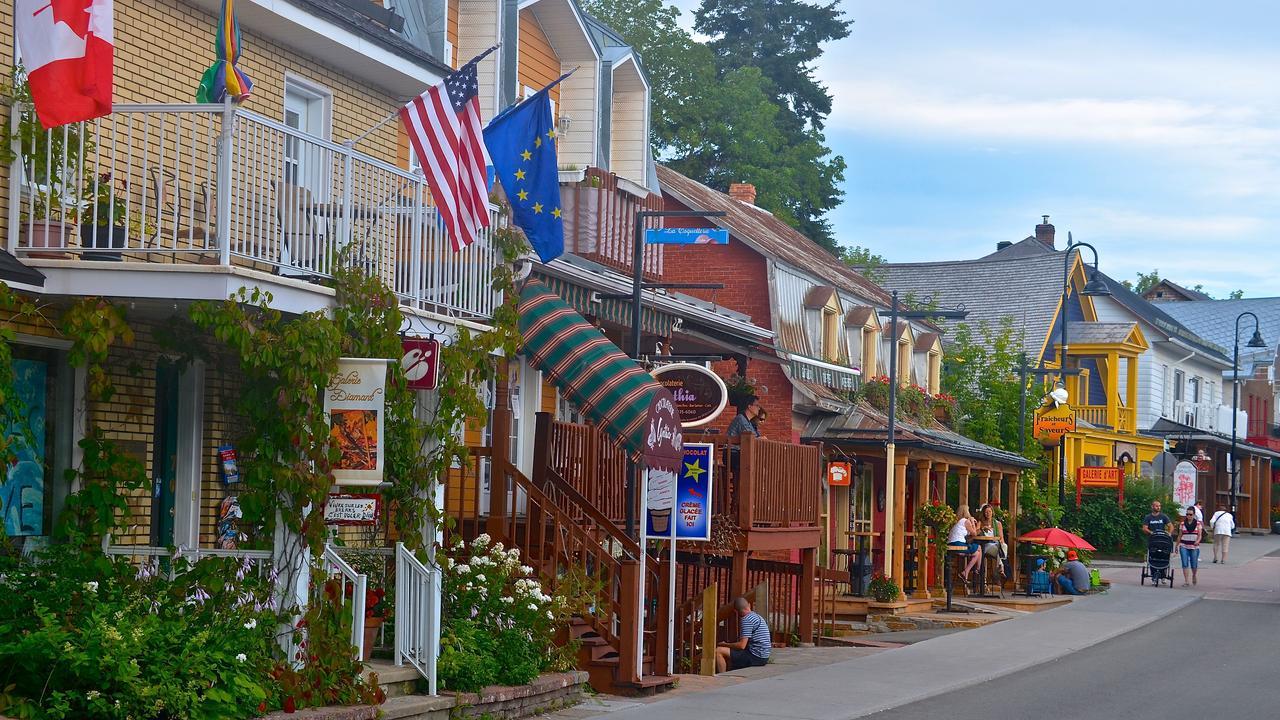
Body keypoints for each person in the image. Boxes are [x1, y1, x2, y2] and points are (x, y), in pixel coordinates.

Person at [715, 597, 771, 672]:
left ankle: (722, 677)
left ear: (736, 611)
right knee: (732, 653)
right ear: (749, 605)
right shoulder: (757, 616)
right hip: (764, 655)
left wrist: (725, 644)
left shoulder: (747, 620)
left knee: (718, 651)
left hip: (756, 657)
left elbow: (741, 646)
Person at [946, 504, 981, 581]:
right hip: (957, 544)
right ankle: (977, 570)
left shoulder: (958, 522)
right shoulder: (965, 521)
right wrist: (973, 523)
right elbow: (974, 534)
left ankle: (967, 572)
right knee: (979, 548)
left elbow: (968, 535)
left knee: (977, 553)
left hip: (951, 543)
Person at [977, 504, 1007, 578]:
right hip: (985, 545)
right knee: (999, 550)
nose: (988, 513)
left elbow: (1001, 537)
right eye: (986, 512)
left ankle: (1000, 566)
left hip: (995, 544)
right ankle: (1001, 567)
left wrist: (1001, 543)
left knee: (1004, 546)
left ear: (992, 512)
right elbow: (976, 532)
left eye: (989, 511)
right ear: (984, 513)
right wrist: (982, 528)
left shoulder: (997, 523)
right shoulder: (980, 522)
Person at [1178, 507, 1202, 587]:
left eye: (1190, 514)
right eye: (1187, 514)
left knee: (1194, 563)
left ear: (1194, 515)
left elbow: (1200, 535)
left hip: (1194, 546)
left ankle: (1194, 575)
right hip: (1183, 545)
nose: (1188, 516)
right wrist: (1176, 545)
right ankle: (1186, 581)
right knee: (1185, 563)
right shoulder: (1182, 524)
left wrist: (1198, 541)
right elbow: (1180, 535)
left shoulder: (1198, 524)